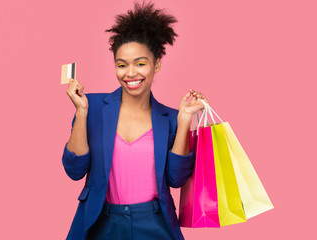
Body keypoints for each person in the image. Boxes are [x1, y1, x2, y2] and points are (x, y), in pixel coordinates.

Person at [62, 1, 209, 239]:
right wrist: (80, 113)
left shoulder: (170, 118)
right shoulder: (92, 107)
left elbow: (176, 179)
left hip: (154, 223)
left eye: (140, 63)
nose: (131, 73)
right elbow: (74, 170)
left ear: (157, 64)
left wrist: (184, 120)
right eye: (122, 65)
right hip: (102, 221)